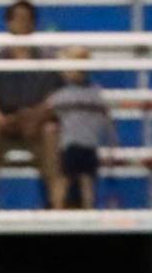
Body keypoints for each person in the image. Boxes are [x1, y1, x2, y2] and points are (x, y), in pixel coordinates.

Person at [0, 0, 63, 209]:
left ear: (34, 24)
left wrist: (35, 117)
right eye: (18, 19)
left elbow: (54, 99)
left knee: (52, 130)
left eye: (27, 19)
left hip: (37, 125)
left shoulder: (48, 60)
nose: (23, 23)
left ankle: (55, 202)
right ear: (9, 23)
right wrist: (0, 119)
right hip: (5, 125)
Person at [46, 46, 116, 209]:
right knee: (79, 180)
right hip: (80, 145)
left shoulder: (66, 94)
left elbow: (107, 120)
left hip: (78, 145)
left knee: (71, 179)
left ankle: (69, 208)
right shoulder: (94, 93)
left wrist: (112, 146)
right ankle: (72, 208)